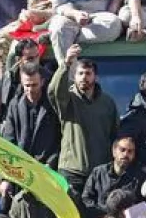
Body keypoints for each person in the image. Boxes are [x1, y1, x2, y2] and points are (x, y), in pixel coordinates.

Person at [49, 44, 119, 197]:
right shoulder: (68, 99)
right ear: (74, 76)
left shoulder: (108, 103)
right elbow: (54, 91)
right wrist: (66, 63)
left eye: (88, 73)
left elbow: (115, 136)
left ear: (95, 77)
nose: (84, 77)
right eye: (80, 73)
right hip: (71, 171)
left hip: (100, 171)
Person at [1, 61, 61, 169]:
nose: (30, 90)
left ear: (42, 82)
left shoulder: (53, 104)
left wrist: (51, 162)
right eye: (27, 85)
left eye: (34, 85)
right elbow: (9, 139)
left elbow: (59, 137)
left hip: (48, 166)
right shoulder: (14, 105)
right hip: (22, 166)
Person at [80, 136, 145, 218]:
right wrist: (103, 215)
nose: (126, 154)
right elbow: (86, 199)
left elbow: (142, 205)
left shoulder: (139, 177)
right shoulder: (98, 172)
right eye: (122, 150)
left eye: (130, 151)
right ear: (114, 151)